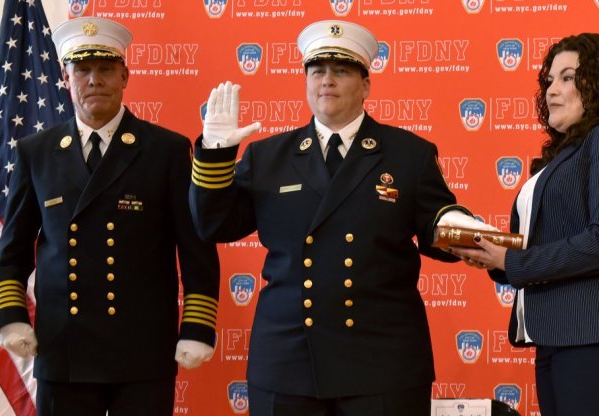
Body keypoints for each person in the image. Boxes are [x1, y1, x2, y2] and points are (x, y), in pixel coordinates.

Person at [189, 19, 484, 416]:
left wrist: (462, 229)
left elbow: (438, 230)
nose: (326, 80)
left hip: (381, 361)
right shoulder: (268, 156)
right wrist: (214, 154)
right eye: (317, 71)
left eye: (341, 71)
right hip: (288, 360)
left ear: (365, 85)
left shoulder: (407, 154)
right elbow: (214, 225)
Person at [0, 17, 220, 416]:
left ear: (125, 76)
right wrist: (11, 317)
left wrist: (197, 327)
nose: (94, 80)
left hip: (142, 352)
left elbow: (197, 249)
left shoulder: (165, 150)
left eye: (105, 69)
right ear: (67, 77)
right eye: (83, 70)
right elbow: (12, 250)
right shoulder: (37, 152)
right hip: (64, 350)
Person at [450, 33, 599, 416]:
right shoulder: (564, 155)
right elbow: (547, 242)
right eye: (549, 80)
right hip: (560, 334)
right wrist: (493, 255)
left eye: (568, 77)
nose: (552, 90)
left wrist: (513, 262)